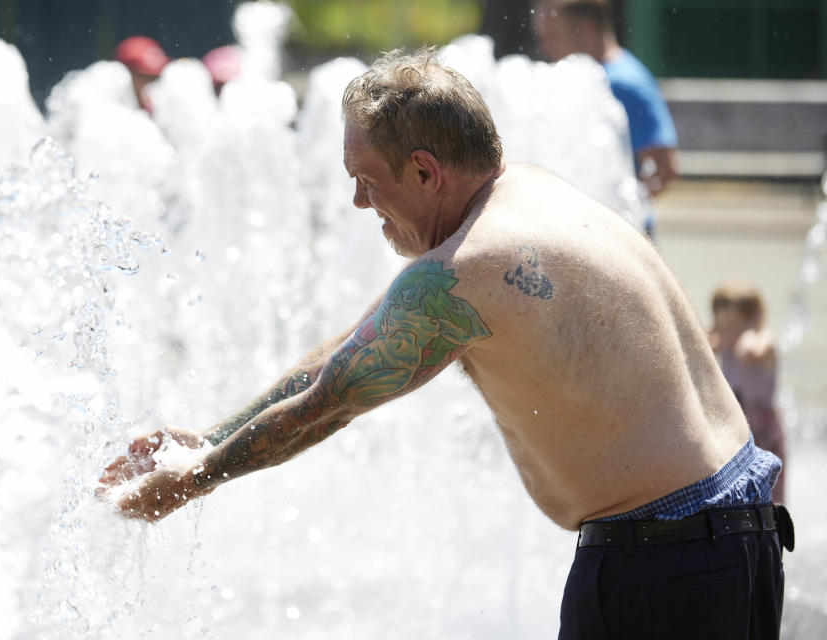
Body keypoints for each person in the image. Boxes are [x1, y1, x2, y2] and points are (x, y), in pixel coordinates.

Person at [99, 49, 791, 637]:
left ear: (426, 173)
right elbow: (349, 350)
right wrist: (209, 436)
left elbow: (330, 402)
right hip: (733, 540)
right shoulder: (527, 196)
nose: (359, 205)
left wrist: (194, 479)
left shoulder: (470, 272)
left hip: (665, 568)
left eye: (366, 182)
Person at [533, 0, 679, 238]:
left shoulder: (625, 83)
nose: (545, 47)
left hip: (622, 234)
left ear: (587, 29)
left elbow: (666, 166)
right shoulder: (578, 78)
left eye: (553, 35)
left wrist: (617, 209)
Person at [710, 281, 787, 504]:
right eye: (722, 324)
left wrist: (742, 336)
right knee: (738, 489)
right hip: (736, 427)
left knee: (772, 494)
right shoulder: (723, 342)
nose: (728, 332)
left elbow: (750, 353)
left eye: (735, 325)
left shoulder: (764, 340)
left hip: (764, 428)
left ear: (755, 319)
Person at [114, 35, 171, 113]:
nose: (149, 83)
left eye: (155, 78)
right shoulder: (110, 111)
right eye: (143, 77)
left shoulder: (160, 110)